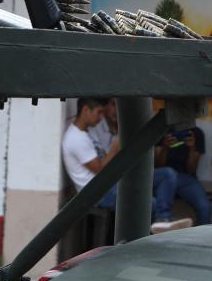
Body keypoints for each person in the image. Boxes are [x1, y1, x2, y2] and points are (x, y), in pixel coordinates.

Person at [62, 99, 190, 233]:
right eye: (98, 113)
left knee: (167, 174)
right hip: (97, 193)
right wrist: (117, 143)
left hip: (110, 183)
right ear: (86, 110)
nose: (100, 118)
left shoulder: (87, 133)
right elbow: (100, 170)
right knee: (148, 203)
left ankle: (163, 219)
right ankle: (146, 239)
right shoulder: (75, 138)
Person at [155, 125, 212, 226]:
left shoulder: (196, 133)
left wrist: (191, 148)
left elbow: (191, 170)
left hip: (185, 177)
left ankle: (203, 237)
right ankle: (164, 219)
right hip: (164, 177)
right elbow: (158, 166)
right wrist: (165, 148)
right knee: (168, 173)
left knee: (204, 207)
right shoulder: (161, 131)